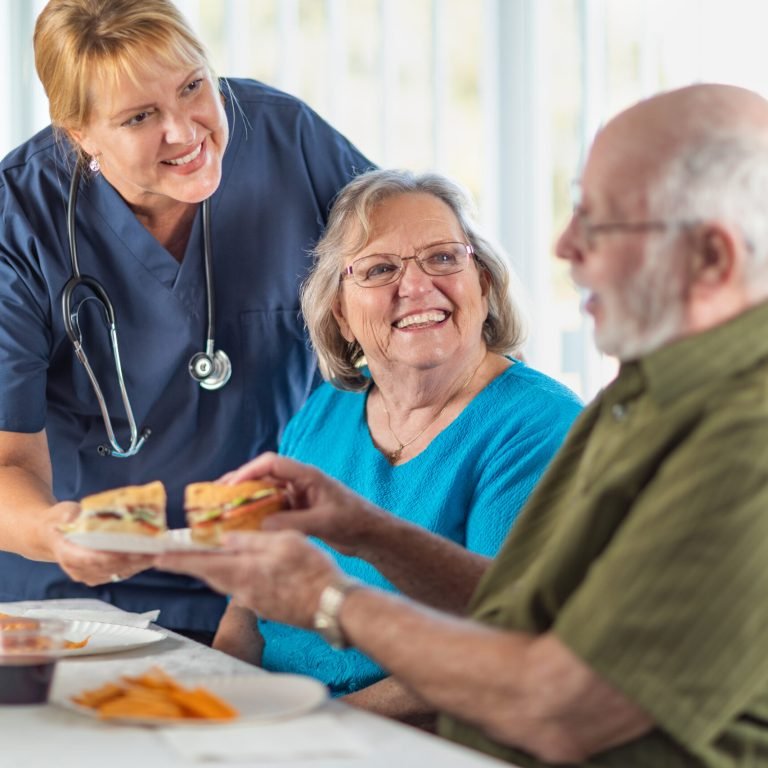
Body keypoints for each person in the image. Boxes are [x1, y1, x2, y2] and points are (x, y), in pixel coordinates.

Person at [159, 82, 768, 767]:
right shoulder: (642, 399)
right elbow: (518, 609)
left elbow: (559, 709)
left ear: (712, 257)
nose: (564, 247)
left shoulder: (743, 440)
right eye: (381, 269)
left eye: (599, 222)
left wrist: (328, 599)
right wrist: (363, 529)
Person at [0, 0, 371, 641]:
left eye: (193, 87)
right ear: (78, 131)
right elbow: (7, 463)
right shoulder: (19, 220)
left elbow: (404, 285)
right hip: (81, 598)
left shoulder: (289, 141)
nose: (185, 131)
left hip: (273, 572)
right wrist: (54, 533)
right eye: (140, 116)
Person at [212, 169, 582, 718]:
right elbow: (249, 596)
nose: (415, 286)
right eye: (381, 269)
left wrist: (311, 733)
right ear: (341, 312)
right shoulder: (324, 410)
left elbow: (499, 649)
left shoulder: (538, 425)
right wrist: (214, 694)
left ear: (482, 282)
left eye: (443, 258)